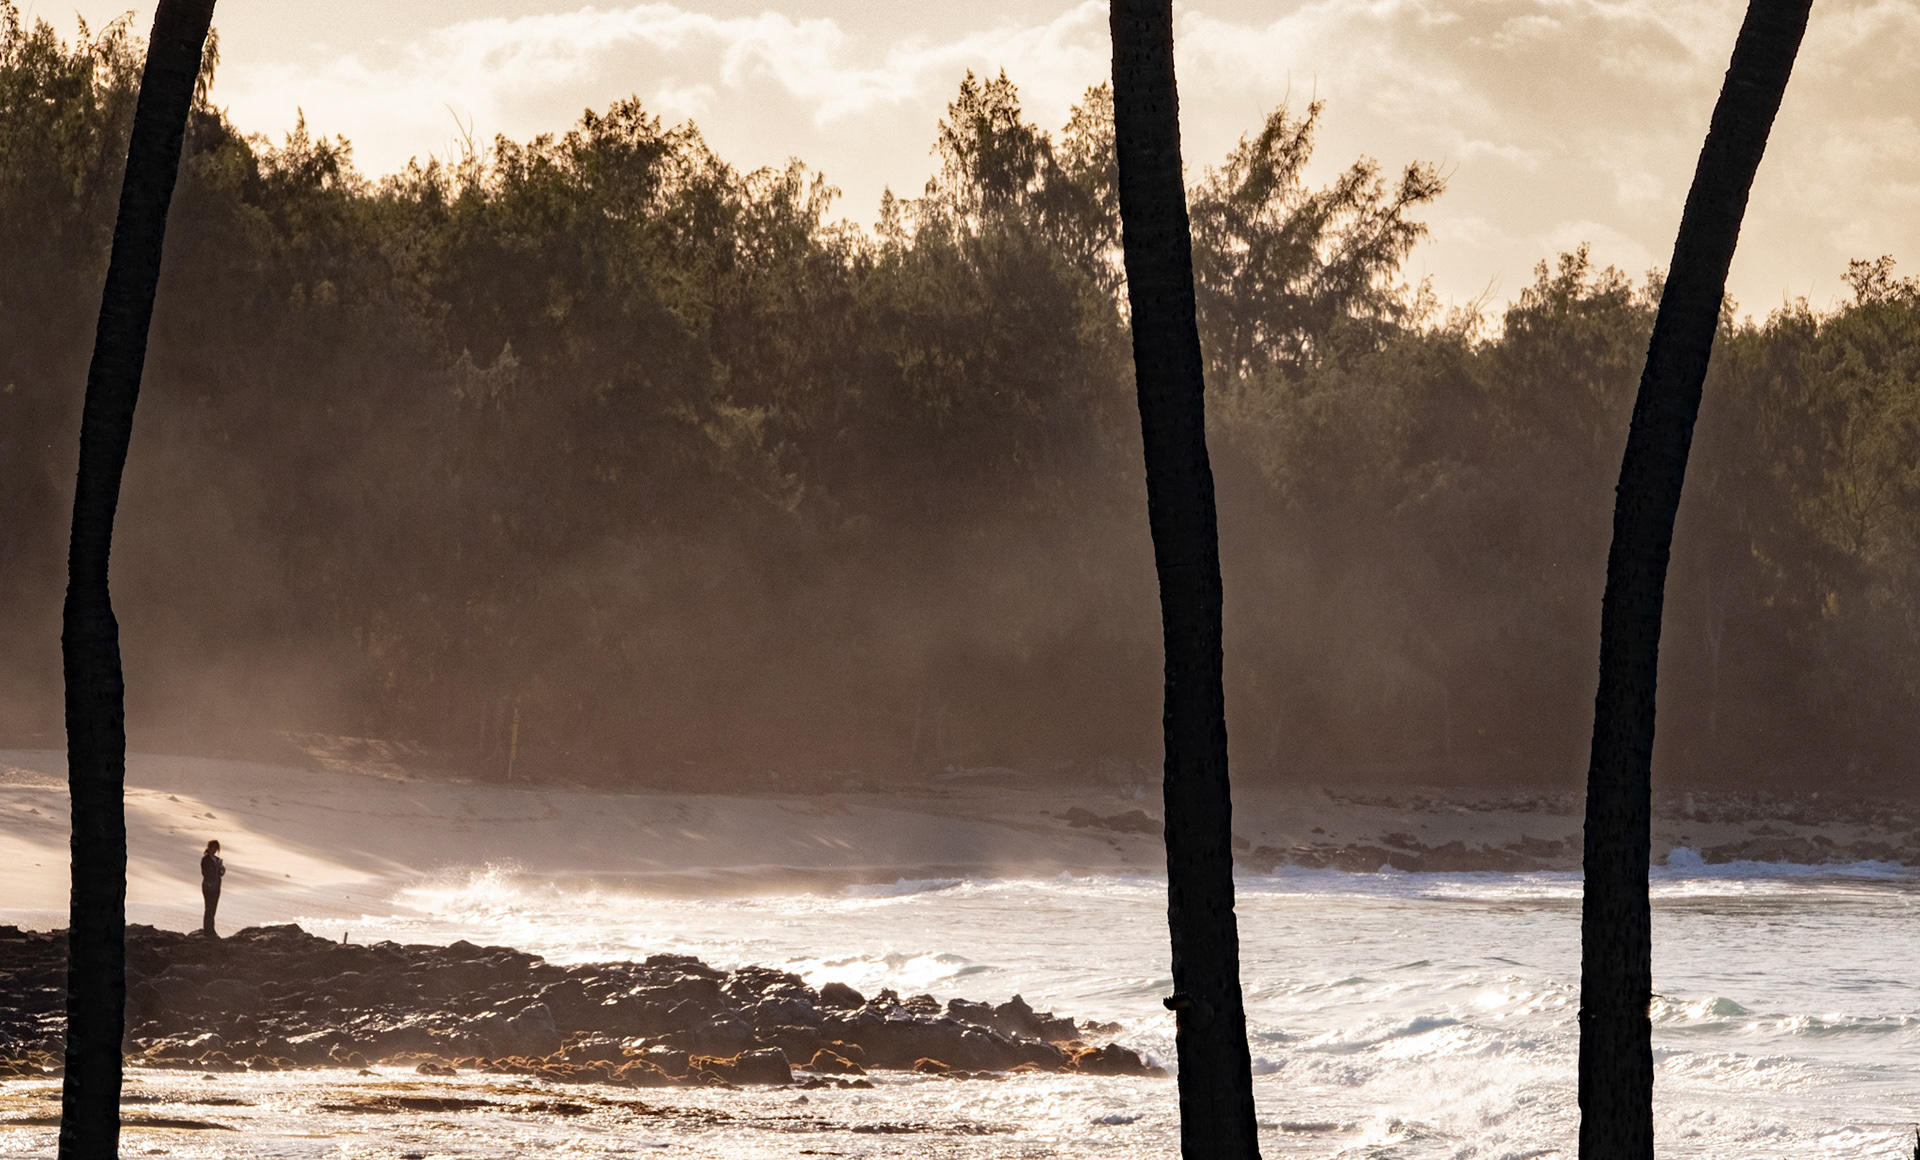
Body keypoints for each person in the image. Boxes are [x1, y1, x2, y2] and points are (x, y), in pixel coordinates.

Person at [200, 840, 225, 937]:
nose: (214, 850)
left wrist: (220, 867)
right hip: (208, 886)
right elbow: (205, 872)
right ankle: (208, 930)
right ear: (209, 848)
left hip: (216, 886)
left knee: (213, 908)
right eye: (213, 848)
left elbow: (221, 873)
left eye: (216, 848)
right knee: (209, 908)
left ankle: (211, 929)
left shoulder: (217, 860)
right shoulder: (205, 859)